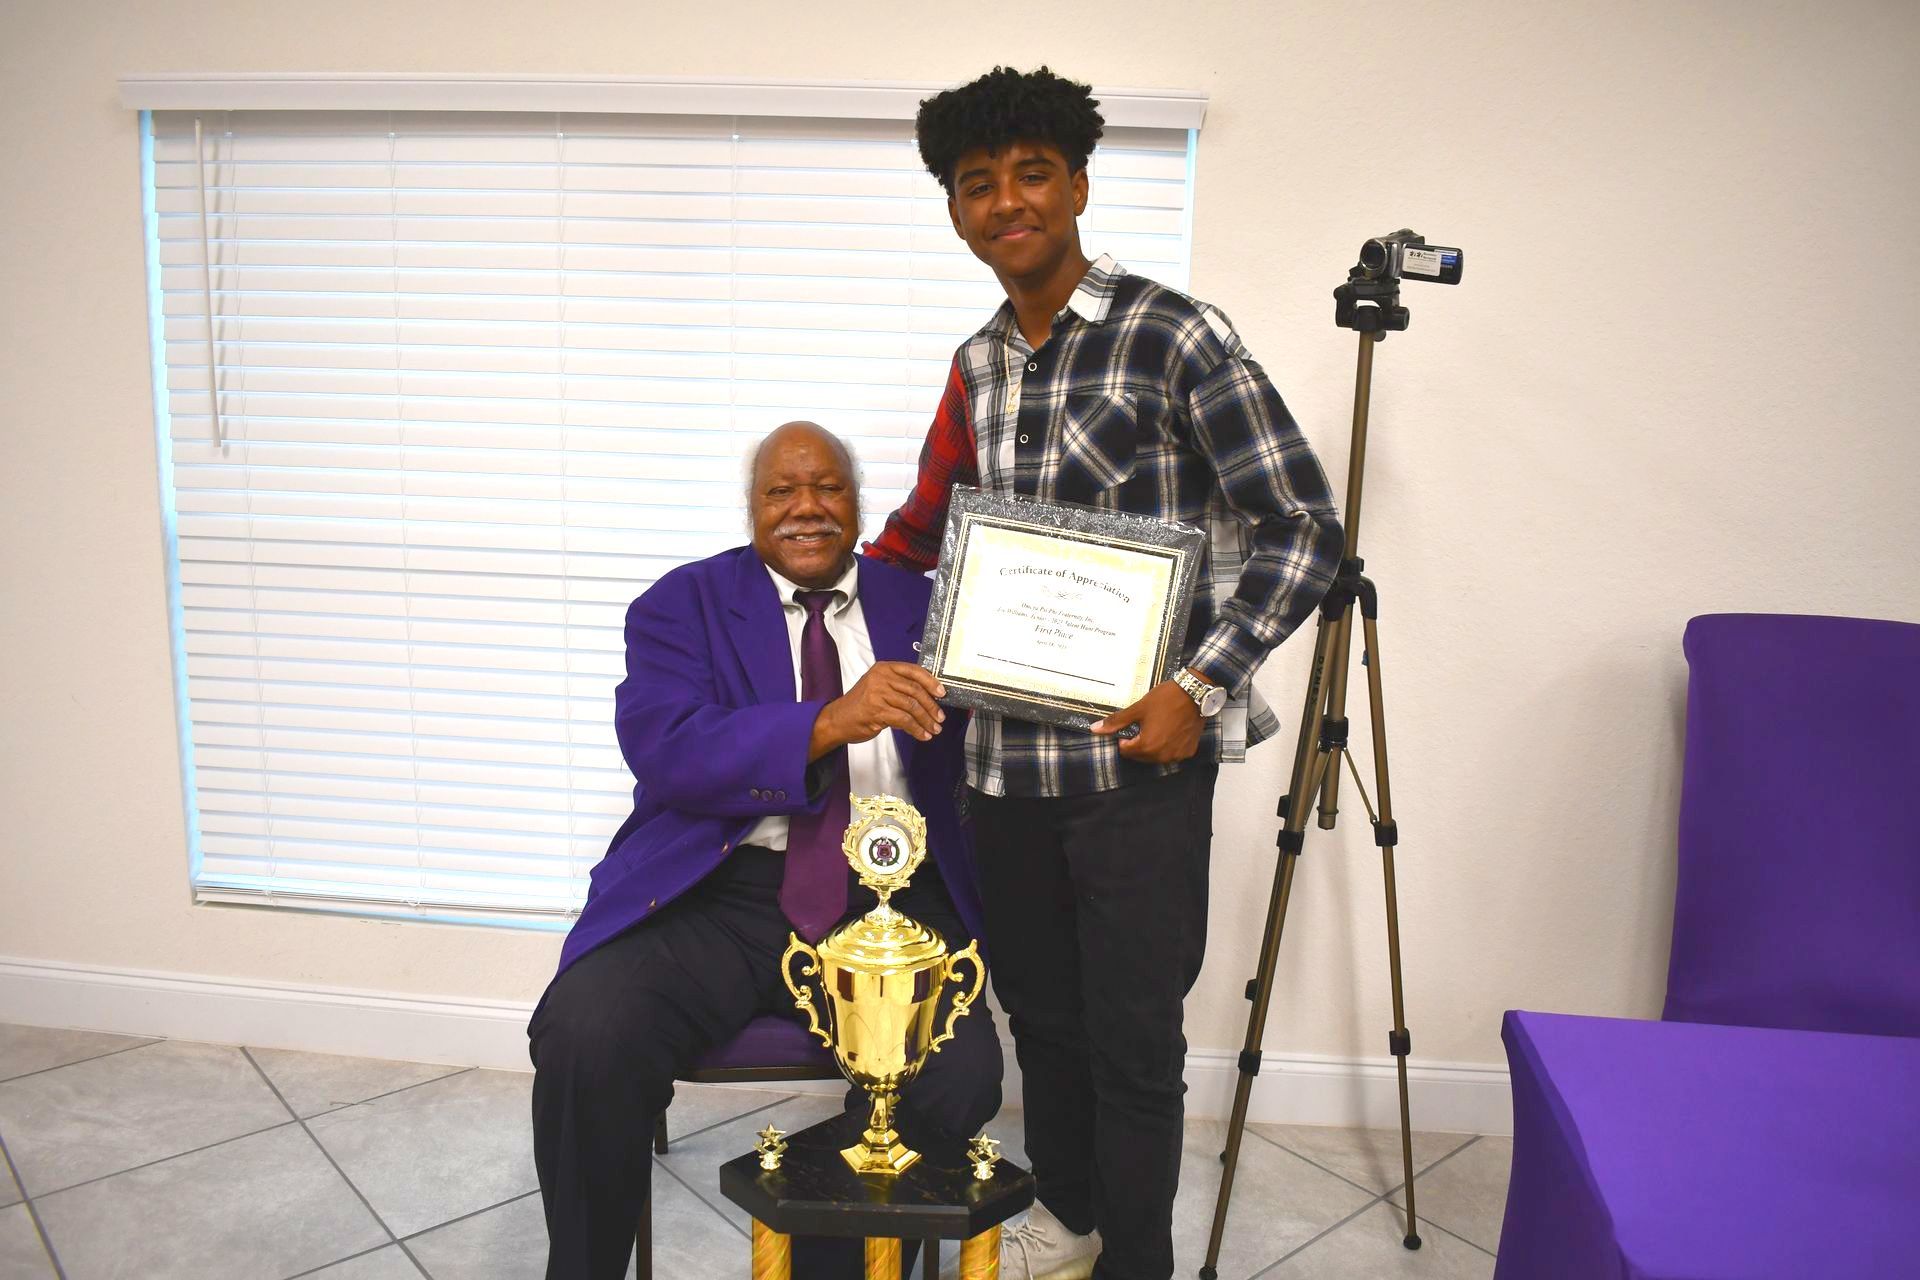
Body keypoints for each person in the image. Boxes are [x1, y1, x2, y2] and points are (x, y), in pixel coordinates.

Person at [865, 67, 1344, 1280]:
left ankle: (1138, 1260)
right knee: (1045, 1021)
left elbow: (1305, 528)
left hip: (1139, 766)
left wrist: (1202, 685)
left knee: (1134, 1040)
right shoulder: (977, 364)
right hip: (1004, 765)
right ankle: (1070, 1222)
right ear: (956, 211)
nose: (1006, 202)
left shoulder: (1175, 334)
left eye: (1032, 174)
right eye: (978, 184)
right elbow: (937, 538)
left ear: (1078, 185)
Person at [530, 421, 1002, 1280]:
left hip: (890, 904)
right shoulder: (683, 605)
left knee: (958, 1074)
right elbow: (667, 747)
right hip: (720, 893)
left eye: (827, 487)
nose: (805, 508)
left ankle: (830, 1267)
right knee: (587, 1034)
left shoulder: (929, 604)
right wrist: (831, 721)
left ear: (858, 505)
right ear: (751, 508)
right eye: (781, 491)